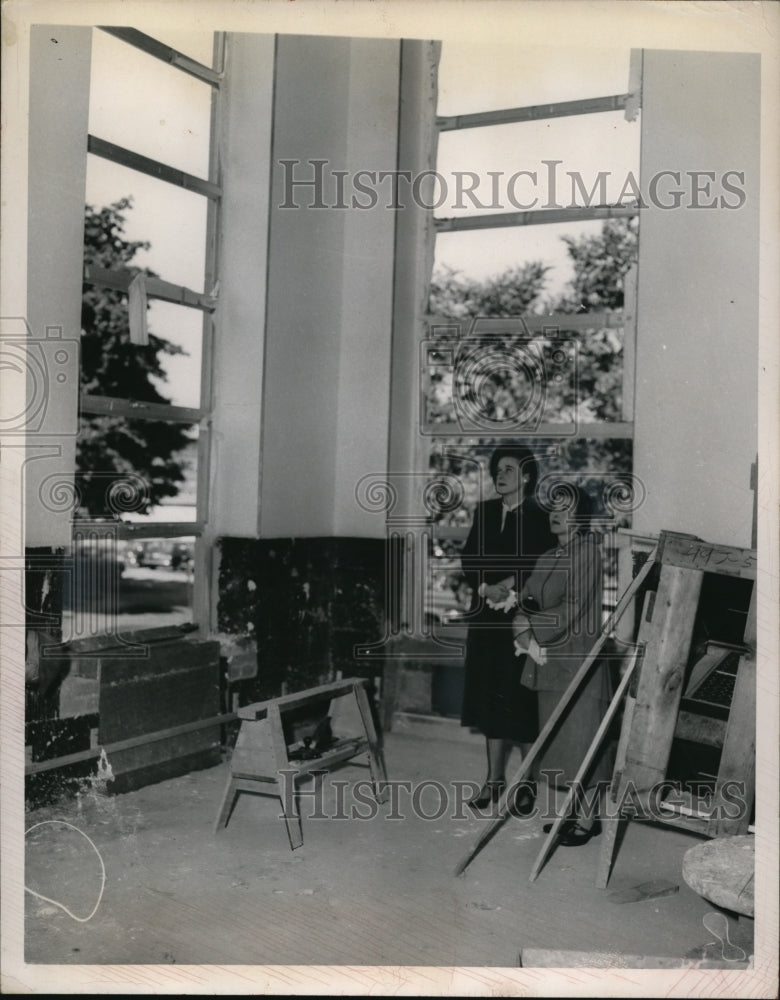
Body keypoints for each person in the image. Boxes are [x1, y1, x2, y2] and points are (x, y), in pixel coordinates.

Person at [511, 489, 612, 845]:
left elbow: (571, 608)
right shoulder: (548, 556)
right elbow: (527, 597)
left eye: (566, 508)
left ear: (581, 517)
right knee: (561, 742)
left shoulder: (588, 553)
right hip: (549, 658)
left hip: (577, 658)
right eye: (554, 507)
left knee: (582, 738)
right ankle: (570, 813)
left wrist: (528, 625)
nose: (556, 513)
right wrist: (521, 615)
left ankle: (588, 819)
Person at [459, 445, 557, 811]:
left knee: (520, 698)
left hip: (523, 619)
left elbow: (543, 564)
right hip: (486, 619)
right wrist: (486, 586)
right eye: (497, 469)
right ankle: (493, 779)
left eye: (509, 470)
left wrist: (512, 586)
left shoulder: (539, 516)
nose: (500, 476)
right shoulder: (484, 512)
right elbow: (470, 558)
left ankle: (526, 782)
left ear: (527, 476)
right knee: (489, 696)